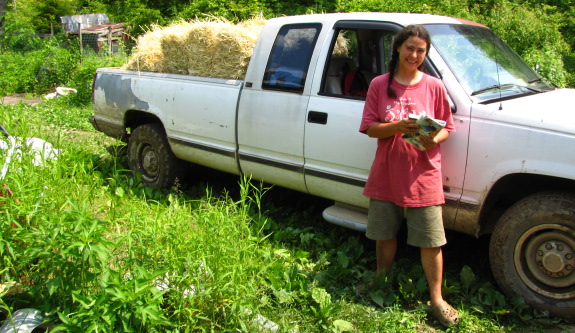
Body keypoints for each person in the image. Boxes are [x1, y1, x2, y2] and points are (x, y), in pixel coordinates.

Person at [358, 25, 460, 327]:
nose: (414, 55)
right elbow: (369, 128)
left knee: (431, 242)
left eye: (420, 51)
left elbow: (448, 127)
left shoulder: (434, 86)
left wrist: (434, 139)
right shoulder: (379, 84)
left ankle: (437, 299)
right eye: (409, 48)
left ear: (425, 55)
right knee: (384, 236)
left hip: (423, 176)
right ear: (398, 49)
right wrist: (398, 127)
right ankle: (380, 281)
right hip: (386, 175)